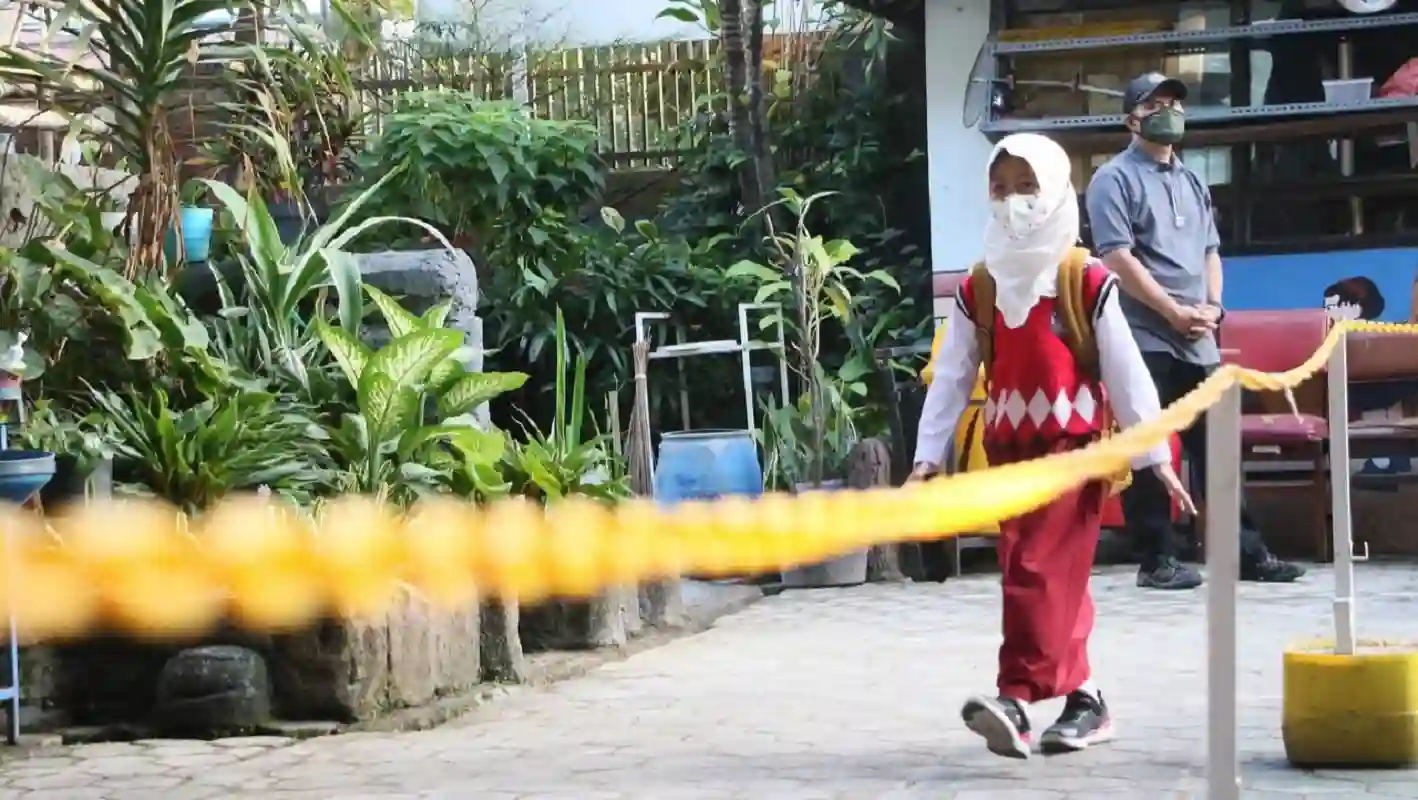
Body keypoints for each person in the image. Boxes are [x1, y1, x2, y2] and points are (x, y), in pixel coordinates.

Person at [910, 133, 1195, 759]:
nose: (1014, 202)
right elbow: (953, 376)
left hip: (1075, 452)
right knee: (1043, 573)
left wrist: (1155, 458)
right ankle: (1086, 702)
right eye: (1001, 189)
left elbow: (1126, 373)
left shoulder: (1083, 277)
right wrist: (926, 459)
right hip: (1006, 455)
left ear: (1058, 190)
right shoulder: (978, 287)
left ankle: (1014, 699)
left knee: (1038, 571)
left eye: (1028, 186)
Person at [1085, 72, 1306, 591]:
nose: (1169, 112)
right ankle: (1156, 560)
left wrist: (1212, 307)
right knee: (1149, 449)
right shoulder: (1112, 180)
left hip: (1198, 338)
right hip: (1143, 338)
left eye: (1174, 104)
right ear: (1131, 118)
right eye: (1155, 104)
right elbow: (1117, 257)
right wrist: (1171, 311)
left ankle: (1246, 556)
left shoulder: (1191, 180)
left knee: (1218, 449)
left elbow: (1211, 250)